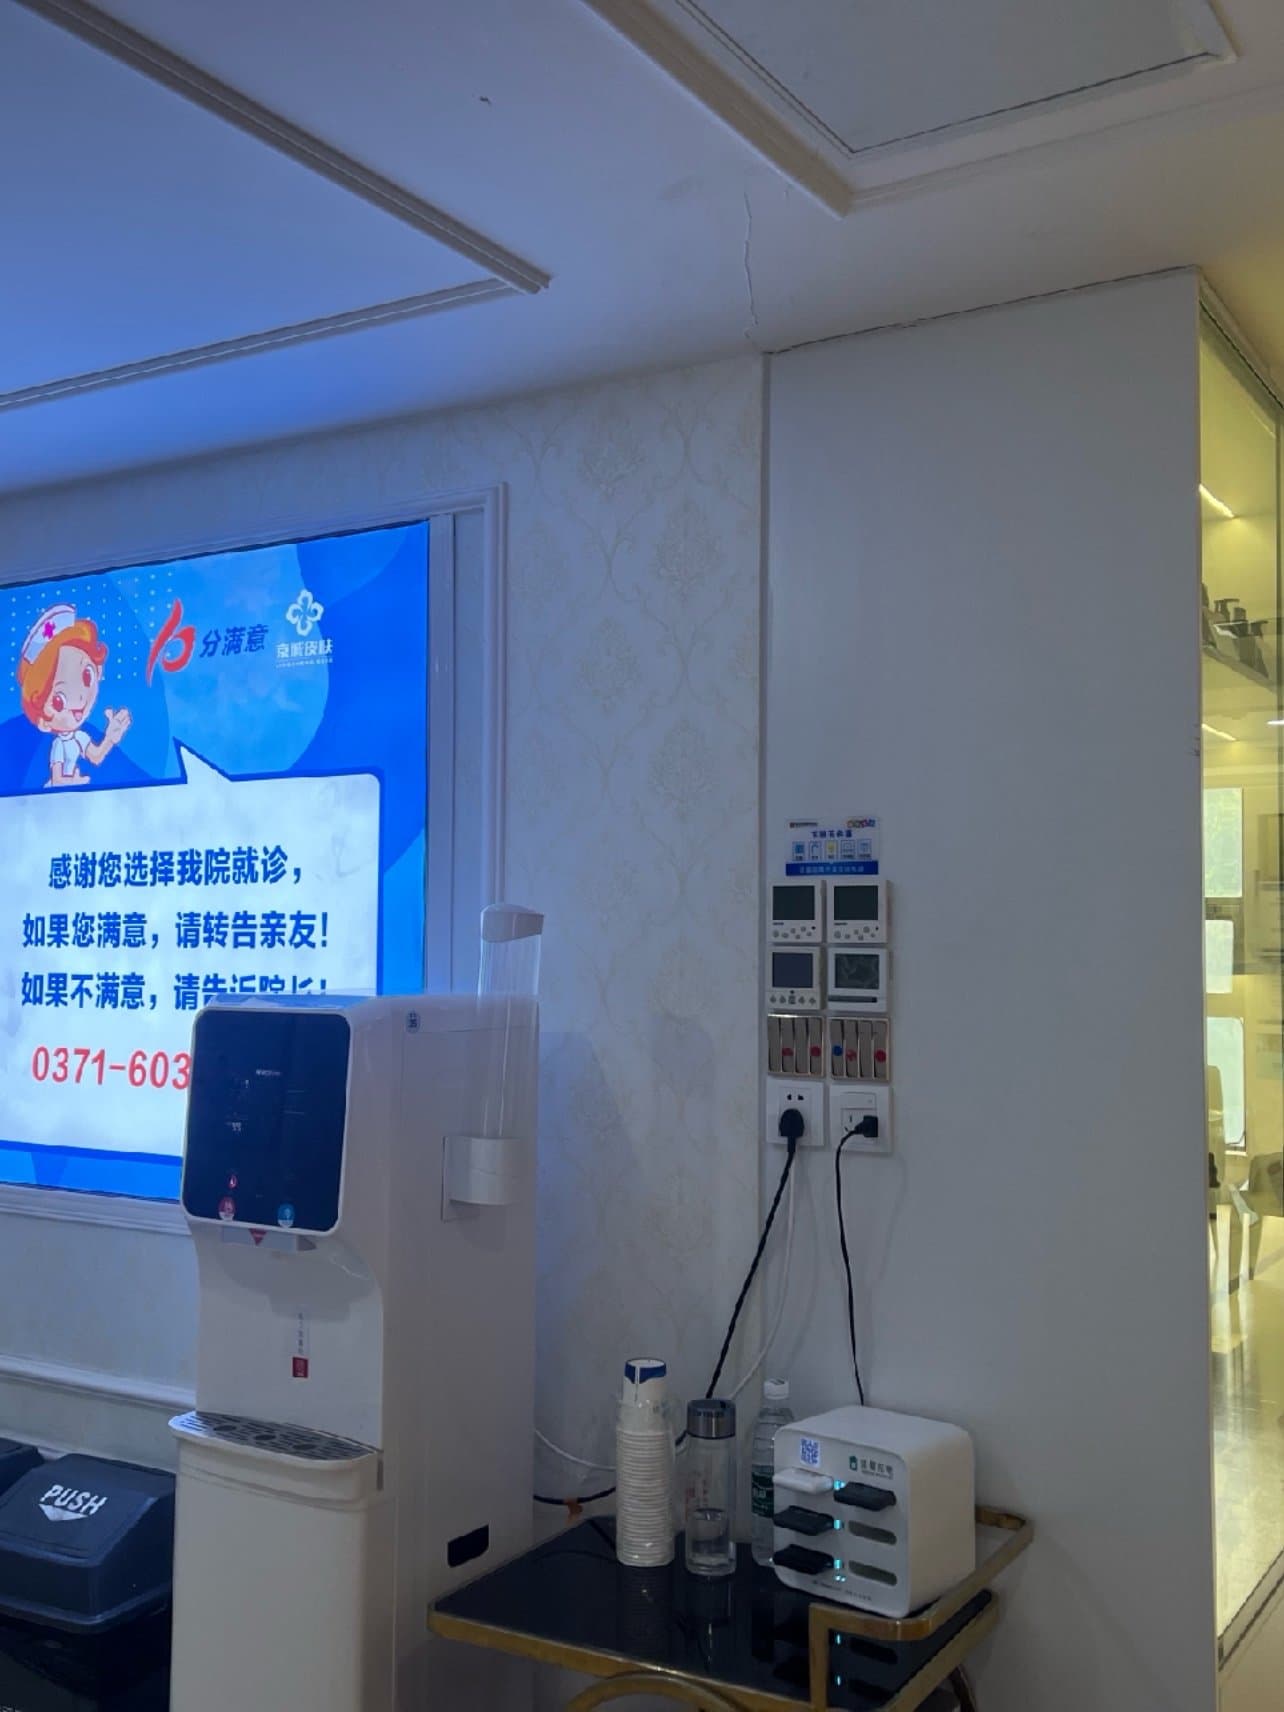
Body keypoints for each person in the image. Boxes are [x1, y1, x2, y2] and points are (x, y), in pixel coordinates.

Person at [17, 604, 131, 788]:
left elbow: (96, 756)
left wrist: (110, 737)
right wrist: (74, 783)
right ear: (43, 722)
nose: (80, 699)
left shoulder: (80, 737)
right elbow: (57, 779)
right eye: (58, 701)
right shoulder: (58, 745)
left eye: (87, 676)